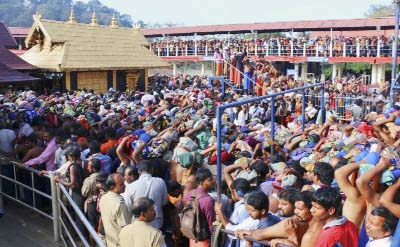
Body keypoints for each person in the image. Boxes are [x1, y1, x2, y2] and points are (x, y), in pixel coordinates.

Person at [123, 160, 168, 229]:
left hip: (138, 225)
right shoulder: (160, 182)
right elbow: (164, 202)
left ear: (139, 171)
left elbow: (128, 208)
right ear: (152, 170)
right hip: (156, 223)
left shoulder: (130, 187)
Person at [185, 168, 216, 247]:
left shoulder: (190, 194)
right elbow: (211, 223)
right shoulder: (207, 200)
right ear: (202, 183)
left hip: (192, 235)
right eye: (209, 180)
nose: (213, 181)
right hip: (203, 239)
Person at [99, 173, 131, 247]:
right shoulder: (119, 203)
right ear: (112, 187)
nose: (125, 186)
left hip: (110, 241)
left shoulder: (103, 198)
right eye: (121, 184)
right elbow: (125, 228)